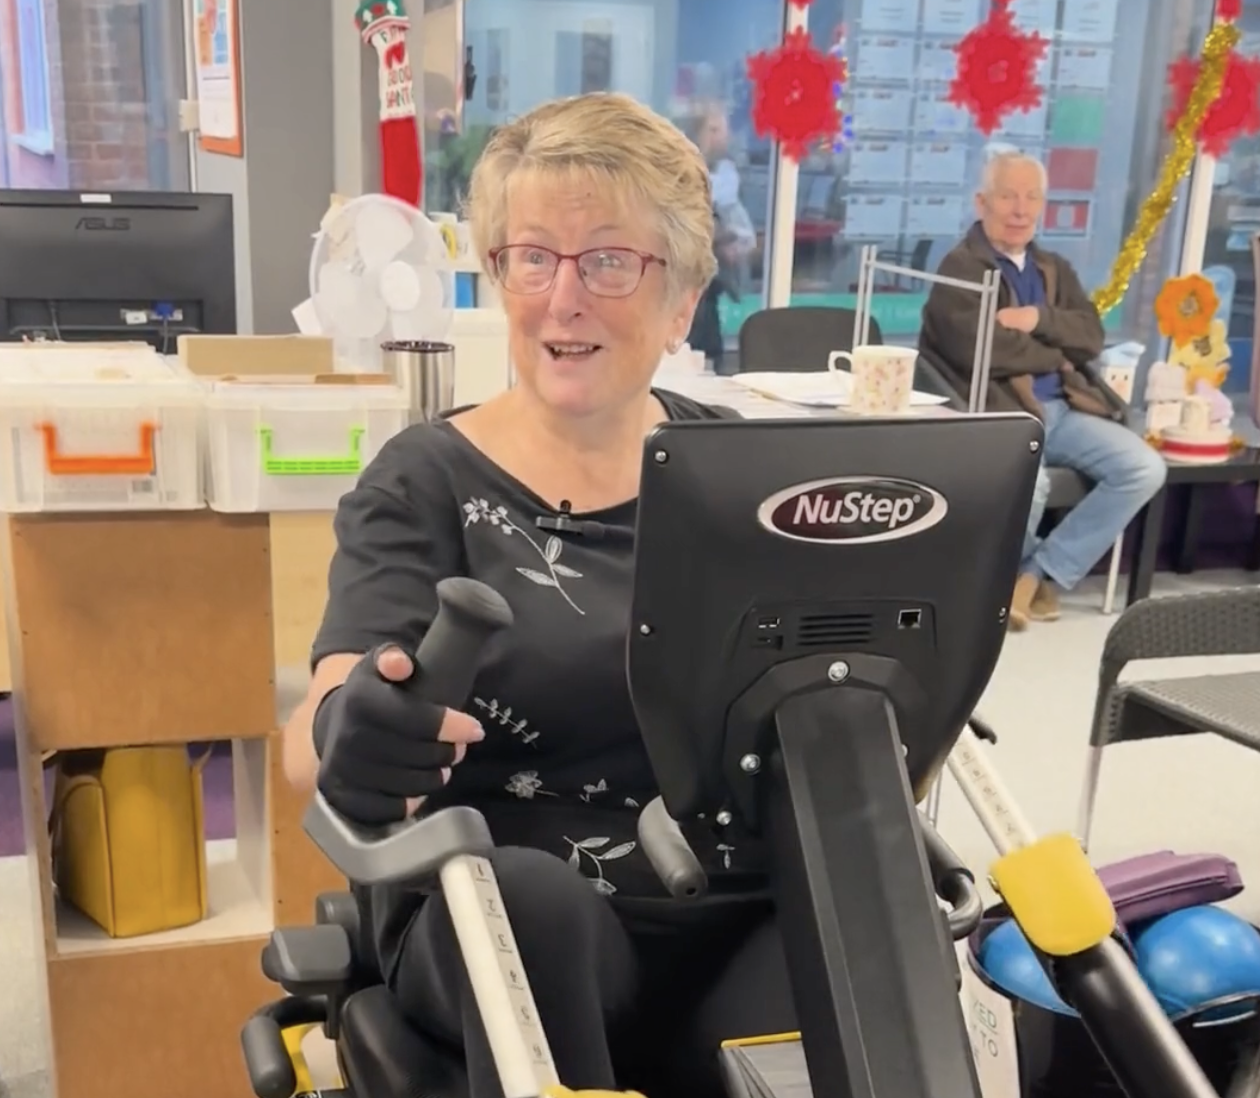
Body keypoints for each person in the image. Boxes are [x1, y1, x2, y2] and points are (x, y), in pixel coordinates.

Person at [283, 92, 793, 1098]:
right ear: (499, 276)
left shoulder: (738, 474)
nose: (566, 297)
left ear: (683, 297)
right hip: (495, 900)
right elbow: (316, 731)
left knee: (872, 908)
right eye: (534, 257)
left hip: (725, 899)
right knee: (531, 905)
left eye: (608, 260)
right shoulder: (422, 482)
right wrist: (356, 725)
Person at [918, 151, 1166, 630]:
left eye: (1032, 197)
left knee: (1143, 467)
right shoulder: (960, 268)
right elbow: (982, 351)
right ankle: (1006, 583)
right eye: (1009, 196)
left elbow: (1090, 336)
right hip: (999, 413)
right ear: (982, 201)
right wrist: (1056, 353)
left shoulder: (1053, 267)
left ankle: (1036, 576)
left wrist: (1037, 319)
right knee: (1033, 485)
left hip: (1065, 409)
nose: (1021, 210)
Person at [684, 101, 757, 373]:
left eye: (722, 129)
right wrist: (721, 236)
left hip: (712, 288)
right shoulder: (682, 176)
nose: (721, 137)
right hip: (688, 284)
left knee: (710, 351)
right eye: (713, 129)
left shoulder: (727, 176)